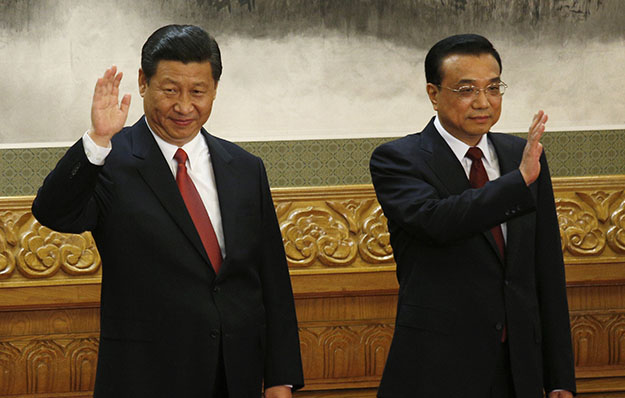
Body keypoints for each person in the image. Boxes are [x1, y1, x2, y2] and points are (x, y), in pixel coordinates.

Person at [32, 24, 303, 398]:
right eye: (170, 90)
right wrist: (96, 141)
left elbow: (272, 280)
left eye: (198, 92)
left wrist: (279, 378)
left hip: (236, 375)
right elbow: (53, 212)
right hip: (145, 377)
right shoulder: (111, 161)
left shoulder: (244, 167)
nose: (184, 106)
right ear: (144, 82)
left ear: (215, 90)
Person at [369, 34, 576, 398]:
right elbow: (438, 221)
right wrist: (518, 183)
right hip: (437, 370)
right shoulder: (398, 159)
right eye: (467, 90)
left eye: (494, 88)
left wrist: (559, 377)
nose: (483, 102)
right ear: (433, 94)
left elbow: (546, 269)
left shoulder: (521, 155)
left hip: (519, 370)